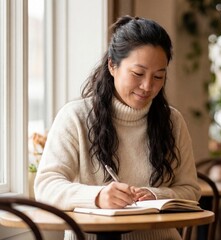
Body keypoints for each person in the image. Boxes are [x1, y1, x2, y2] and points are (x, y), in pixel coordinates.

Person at [34, 16, 200, 240]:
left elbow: (190, 190)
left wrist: (154, 195)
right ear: (112, 65)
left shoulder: (173, 121)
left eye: (159, 76)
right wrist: (98, 196)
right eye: (138, 74)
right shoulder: (75, 117)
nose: (148, 86)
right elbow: (45, 187)